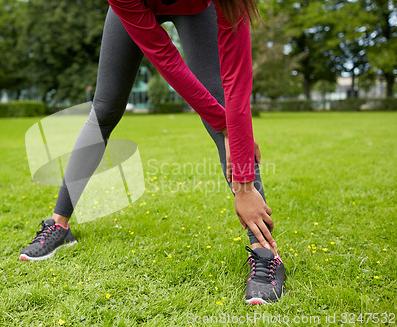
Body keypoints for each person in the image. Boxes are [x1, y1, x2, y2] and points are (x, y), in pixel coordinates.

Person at [19, 0, 285, 304]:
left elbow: (236, 82)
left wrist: (244, 177)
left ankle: (266, 255)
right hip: (136, 7)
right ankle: (58, 225)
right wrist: (227, 126)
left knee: (221, 106)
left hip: (199, 9)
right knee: (104, 110)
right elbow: (165, 58)